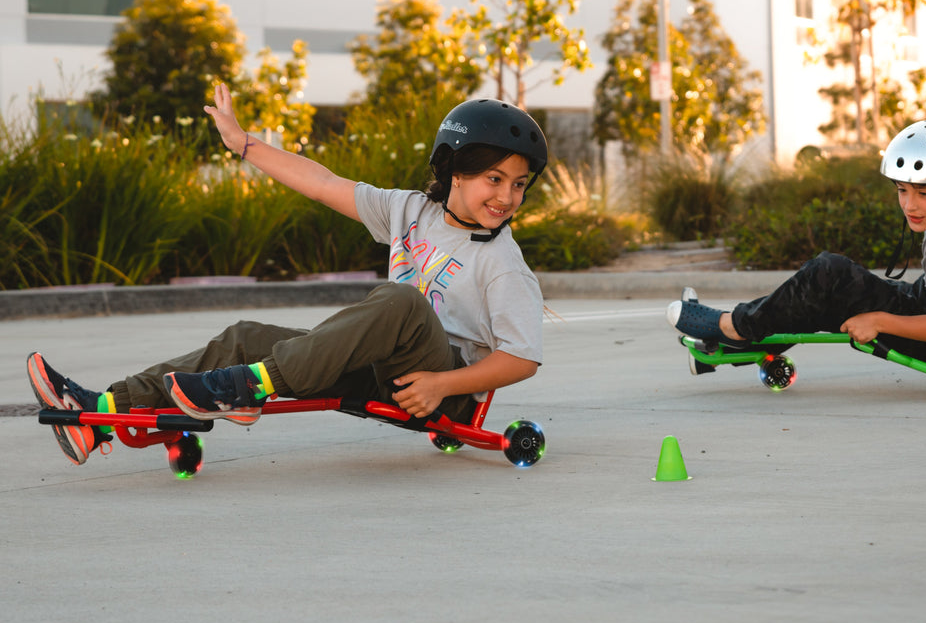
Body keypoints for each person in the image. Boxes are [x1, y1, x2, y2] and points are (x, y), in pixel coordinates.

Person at [28, 84, 548, 465]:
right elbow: (322, 182)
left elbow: (521, 358)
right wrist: (244, 144)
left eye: (519, 184)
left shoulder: (503, 263)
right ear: (453, 167)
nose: (506, 197)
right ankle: (100, 414)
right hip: (378, 369)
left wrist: (443, 384)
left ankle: (246, 386)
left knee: (400, 301)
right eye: (493, 178)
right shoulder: (411, 210)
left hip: (437, 386)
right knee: (245, 336)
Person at [667, 119, 926, 360]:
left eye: (924, 193)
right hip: (921, 303)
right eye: (902, 190)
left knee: (827, 273)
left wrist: (876, 321)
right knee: (822, 288)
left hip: (925, 332)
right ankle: (739, 339)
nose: (910, 205)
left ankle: (730, 327)